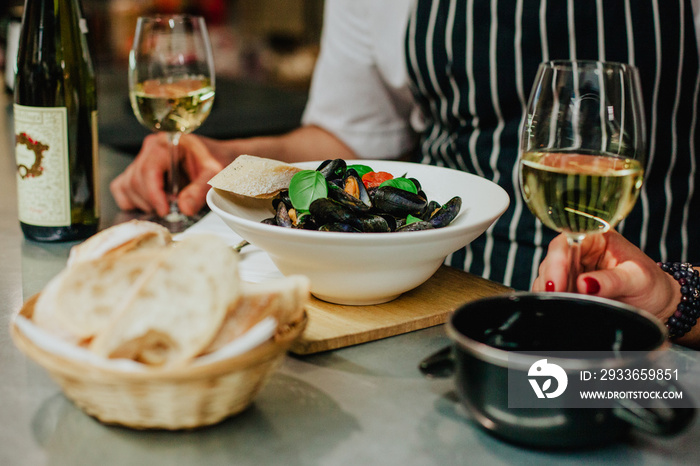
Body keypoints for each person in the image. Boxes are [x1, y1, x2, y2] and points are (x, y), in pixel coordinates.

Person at [111, 1, 700, 343]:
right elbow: (347, 141)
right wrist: (229, 157)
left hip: (649, 344)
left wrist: (680, 297)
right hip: (432, 314)